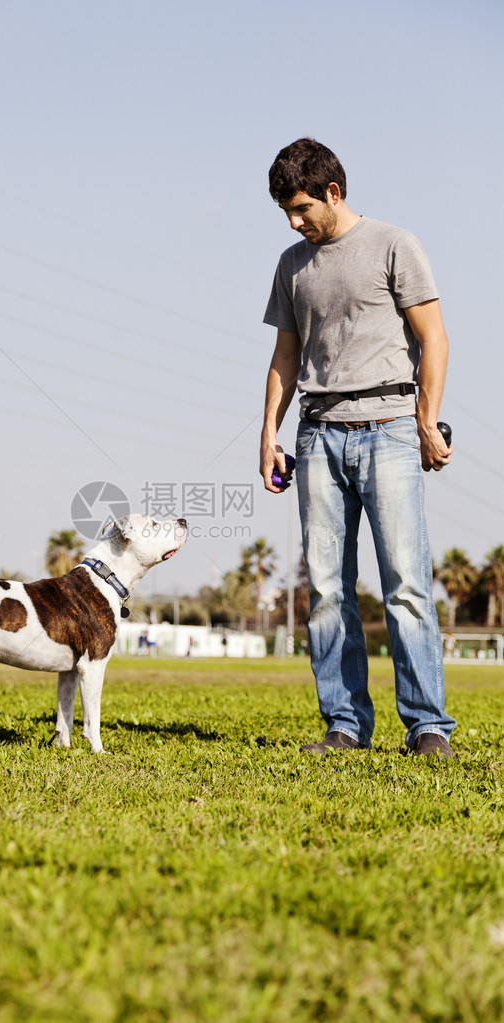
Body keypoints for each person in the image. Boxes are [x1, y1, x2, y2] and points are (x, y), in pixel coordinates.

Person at [259, 138, 456, 758]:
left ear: (332, 193)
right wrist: (269, 431)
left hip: (390, 430)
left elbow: (435, 339)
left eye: (300, 209)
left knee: (405, 584)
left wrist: (428, 421)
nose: (294, 223)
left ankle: (426, 726)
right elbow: (286, 355)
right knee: (326, 589)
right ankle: (345, 724)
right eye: (286, 213)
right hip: (317, 434)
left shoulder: (395, 244)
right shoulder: (292, 264)